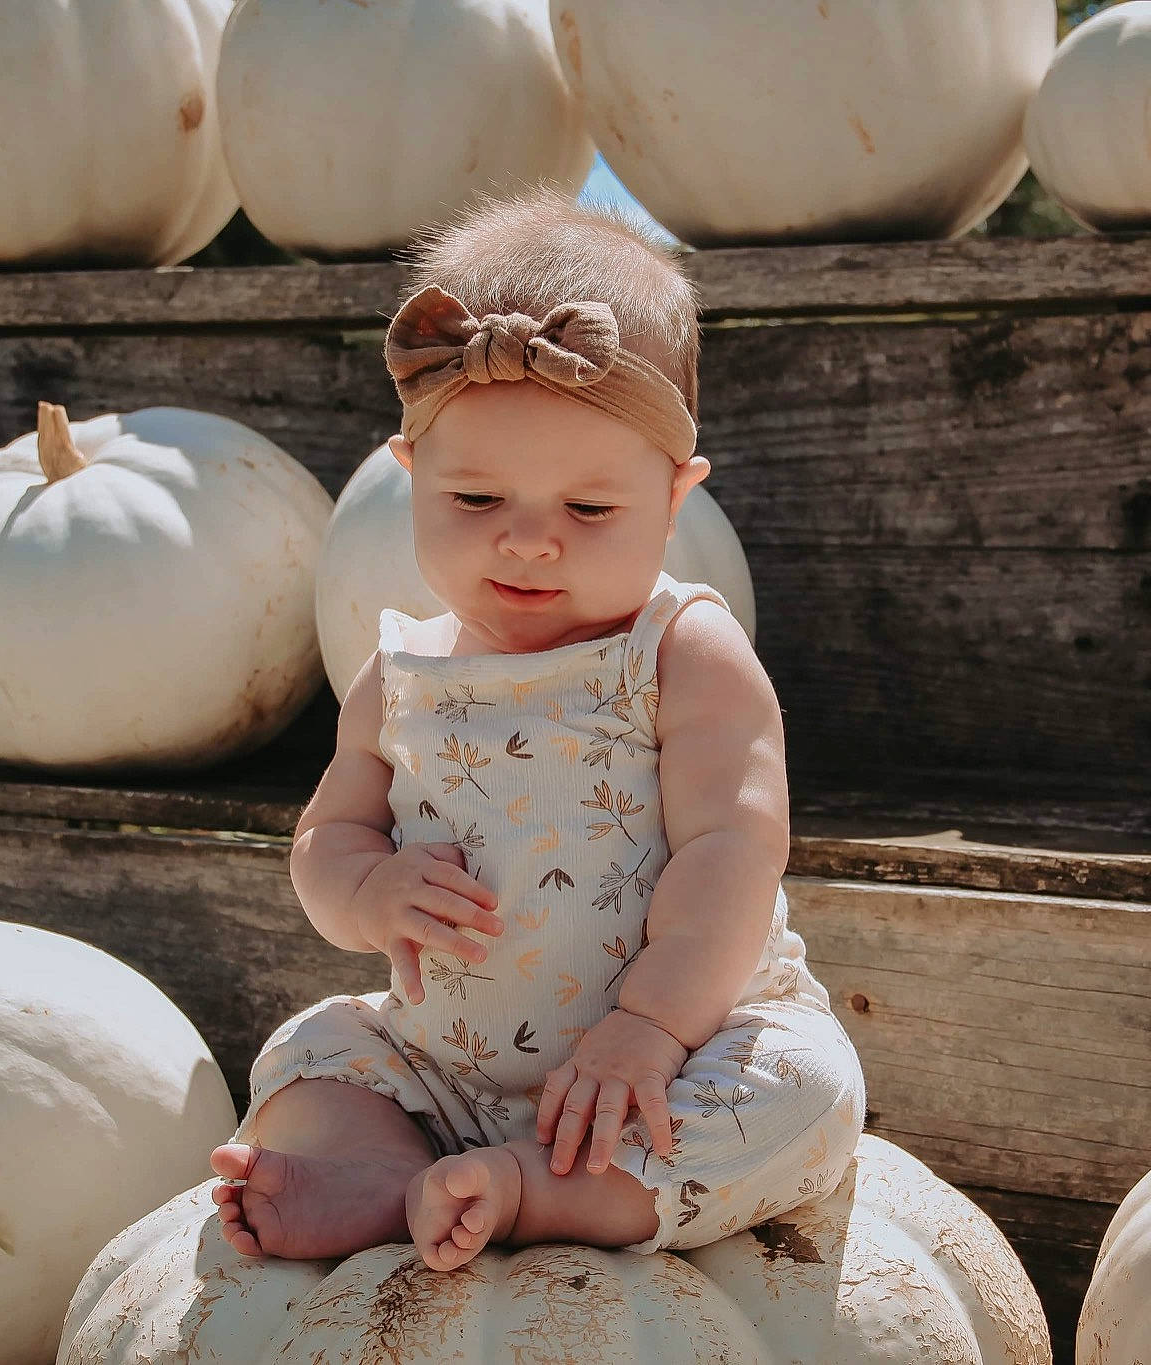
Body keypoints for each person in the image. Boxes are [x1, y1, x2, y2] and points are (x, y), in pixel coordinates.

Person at [208, 191, 865, 1271]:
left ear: (674, 498)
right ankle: (386, 1173)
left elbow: (731, 851)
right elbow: (325, 841)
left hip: (669, 1055)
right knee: (311, 1051)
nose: (527, 545)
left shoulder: (679, 653)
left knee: (804, 1095)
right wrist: (368, 891)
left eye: (589, 512)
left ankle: (533, 1191)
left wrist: (649, 1028)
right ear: (409, 476)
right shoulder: (401, 670)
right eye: (474, 500)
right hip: (444, 1067)